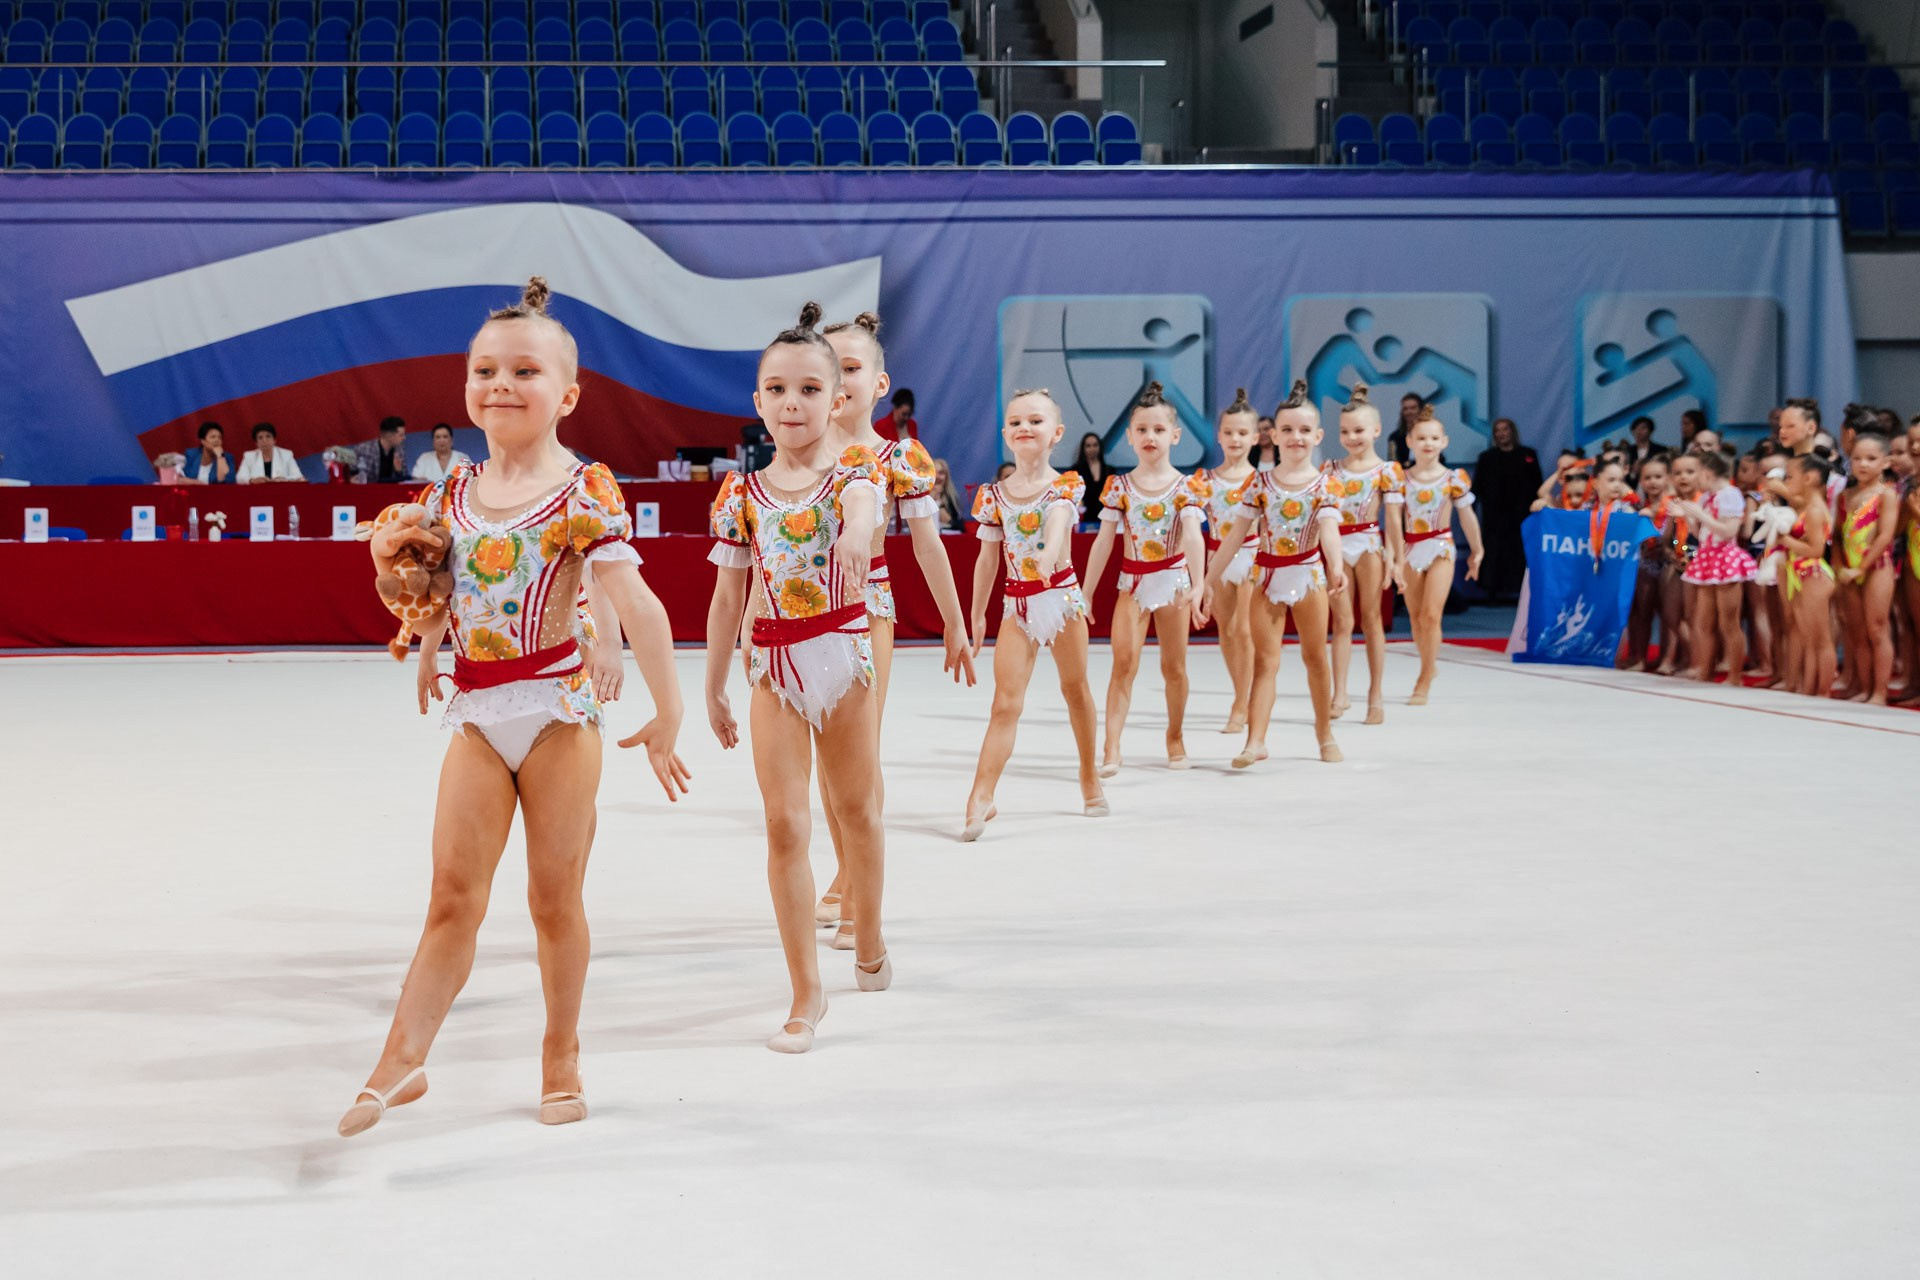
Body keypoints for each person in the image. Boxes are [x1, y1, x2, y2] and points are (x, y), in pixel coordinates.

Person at [337, 277, 688, 1137]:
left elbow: (637, 604)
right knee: (452, 896)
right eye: (484, 369)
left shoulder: (583, 491)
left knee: (551, 900)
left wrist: (669, 708)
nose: (500, 384)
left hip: (558, 714)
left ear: (567, 394)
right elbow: (443, 582)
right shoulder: (454, 490)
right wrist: (425, 647)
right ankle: (401, 1059)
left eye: (524, 371)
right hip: (478, 714)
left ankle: (560, 1050)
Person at [704, 302, 891, 1054]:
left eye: (810, 389)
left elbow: (864, 504)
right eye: (777, 389)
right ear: (758, 402)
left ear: (836, 399)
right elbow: (725, 597)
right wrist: (714, 685)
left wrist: (854, 525)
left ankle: (871, 935)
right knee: (786, 823)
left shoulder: (856, 472)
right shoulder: (740, 497)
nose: (792, 402)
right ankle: (806, 990)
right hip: (773, 667)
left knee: (857, 812)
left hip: (843, 658)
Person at [808, 311, 975, 951]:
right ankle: (848, 867)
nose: (841, 380)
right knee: (826, 765)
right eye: (832, 368)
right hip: (800, 617)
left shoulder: (897, 457)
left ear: (880, 384)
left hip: (867, 607)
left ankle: (858, 889)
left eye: (853, 368)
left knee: (860, 751)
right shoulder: (799, 449)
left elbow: (930, 548)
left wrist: (955, 623)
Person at [962, 389, 1107, 842]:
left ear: (1056, 434)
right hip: (1017, 605)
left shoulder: (1066, 486)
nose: (1026, 427)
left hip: (1061, 600)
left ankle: (1088, 774)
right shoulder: (993, 496)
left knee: (1075, 690)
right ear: (1006, 433)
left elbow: (1060, 521)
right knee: (1005, 703)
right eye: (1017, 421)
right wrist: (977, 614)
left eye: (1037, 421)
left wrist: (1047, 556)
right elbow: (987, 560)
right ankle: (980, 797)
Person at [1198, 380, 1348, 770]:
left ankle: (1324, 734)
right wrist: (1206, 580)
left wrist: (1335, 566)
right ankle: (1256, 741)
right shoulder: (1260, 483)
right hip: (1265, 577)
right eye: (1287, 430)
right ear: (1273, 435)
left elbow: (1330, 530)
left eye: (1303, 430)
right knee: (1266, 662)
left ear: (1318, 435)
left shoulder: (1325, 485)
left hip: (1308, 576)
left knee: (1316, 658)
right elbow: (1232, 538)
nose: (1295, 437)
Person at [1080, 381, 1206, 774]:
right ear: (1130, 437)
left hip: (1172, 583)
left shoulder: (1186, 487)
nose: (1150, 437)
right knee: (1123, 662)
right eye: (1142, 430)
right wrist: (1084, 590)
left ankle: (1175, 736)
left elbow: (1191, 535)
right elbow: (1103, 542)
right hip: (1131, 586)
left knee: (1175, 667)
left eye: (1158, 430)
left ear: (1175, 435)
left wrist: (1199, 583)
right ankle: (1111, 746)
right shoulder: (1119, 487)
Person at [1322, 384, 1403, 726]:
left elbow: (1395, 521)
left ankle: (1375, 694)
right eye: (1345, 431)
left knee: (1371, 620)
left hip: (1369, 542)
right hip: (1337, 546)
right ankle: (1339, 692)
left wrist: (1395, 559)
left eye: (1358, 430)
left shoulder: (1386, 471)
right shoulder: (1330, 469)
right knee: (1341, 622)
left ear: (1376, 430)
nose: (1352, 437)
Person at [1392, 407, 1483, 705]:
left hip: (1441, 546)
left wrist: (1477, 550)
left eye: (1433, 438)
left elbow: (1467, 516)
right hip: (1410, 550)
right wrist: (1392, 558)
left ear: (1444, 441)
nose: (1428, 443)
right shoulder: (1400, 479)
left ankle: (1424, 675)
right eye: (1421, 438)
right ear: (1410, 441)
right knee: (1417, 619)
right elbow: (1392, 522)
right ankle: (1429, 665)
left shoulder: (1452, 479)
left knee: (1431, 616)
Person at [1194, 388, 1262, 733]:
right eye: (1229, 432)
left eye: (1242, 432)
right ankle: (1240, 693)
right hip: (1217, 555)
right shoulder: (1205, 480)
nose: (1235, 438)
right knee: (1226, 631)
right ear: (1219, 435)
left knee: (1243, 629)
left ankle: (1243, 703)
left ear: (1255, 437)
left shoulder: (1262, 480)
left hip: (1251, 555)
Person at [1674, 450, 1755, 685]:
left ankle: (1735, 676)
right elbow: (1699, 534)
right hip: (1707, 556)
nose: (1692, 478)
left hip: (1726, 558)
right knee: (1703, 621)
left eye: (1695, 472)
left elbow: (1729, 531)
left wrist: (1699, 514)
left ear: (1707, 473)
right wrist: (1687, 517)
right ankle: (1704, 671)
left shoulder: (1731, 495)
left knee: (1728, 622)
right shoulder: (1706, 497)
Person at [1835, 432, 1897, 704]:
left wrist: (1862, 568)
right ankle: (1864, 686)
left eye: (1871, 459)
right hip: (1848, 569)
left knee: (1876, 628)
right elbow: (1836, 536)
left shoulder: (1887, 494)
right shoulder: (1845, 495)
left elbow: (1885, 535)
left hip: (1876, 568)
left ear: (1886, 462)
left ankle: (1880, 692)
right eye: (1857, 458)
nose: (1863, 464)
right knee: (1856, 630)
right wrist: (1839, 566)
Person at [1780, 454, 1837, 698]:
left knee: (1821, 639)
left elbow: (1816, 549)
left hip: (1814, 573)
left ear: (1809, 478)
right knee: (1808, 638)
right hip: (1802, 573)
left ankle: (1823, 692)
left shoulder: (1814, 510)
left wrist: (1786, 540)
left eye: (1790, 476)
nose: (1786, 480)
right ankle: (1808, 688)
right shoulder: (1808, 507)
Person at [1471, 417, 1541, 601]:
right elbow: (1477, 486)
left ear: (1512, 432)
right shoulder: (1487, 458)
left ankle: (1520, 590)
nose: (1502, 434)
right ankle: (1491, 591)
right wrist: (1470, 508)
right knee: (1493, 551)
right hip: (1495, 514)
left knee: (1519, 551)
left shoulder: (1528, 455)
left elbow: (1537, 485)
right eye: (1498, 431)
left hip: (1521, 514)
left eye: (1505, 429)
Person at [236, 422, 304, 484]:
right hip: (257, 493)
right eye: (260, 438)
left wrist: (285, 479)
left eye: (268, 436)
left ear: (274, 440)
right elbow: (240, 477)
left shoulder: (286, 455)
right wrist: (252, 480)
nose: (264, 441)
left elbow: (298, 476)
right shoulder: (249, 456)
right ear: (256, 443)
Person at [1068, 431, 1111, 528]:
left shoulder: (1110, 471)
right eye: (1088, 446)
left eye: (1095, 445)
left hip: (1106, 519)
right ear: (1083, 449)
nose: (1092, 449)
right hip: (1083, 519)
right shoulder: (1075, 471)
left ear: (1100, 447)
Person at [352, 416, 409, 484]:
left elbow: (404, 479)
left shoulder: (399, 452)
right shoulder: (365, 450)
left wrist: (399, 471)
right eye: (401, 435)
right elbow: (353, 474)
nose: (404, 438)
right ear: (389, 435)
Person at [931, 457, 966, 532]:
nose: (937, 477)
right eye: (934, 472)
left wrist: (940, 506)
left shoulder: (952, 498)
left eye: (941, 473)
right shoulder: (921, 499)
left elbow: (960, 527)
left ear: (946, 476)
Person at [1388, 392, 1421, 466]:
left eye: (1413, 408)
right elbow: (1392, 464)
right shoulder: (1394, 437)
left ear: (1420, 410)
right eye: (1405, 409)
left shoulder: (1430, 435)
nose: (1409, 412)